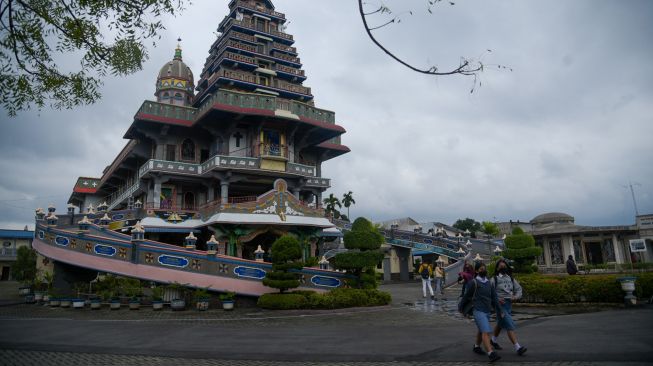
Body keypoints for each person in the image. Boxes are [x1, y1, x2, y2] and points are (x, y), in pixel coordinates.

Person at [459, 261, 503, 362]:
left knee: (481, 330)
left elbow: (494, 297)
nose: (484, 271)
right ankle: (491, 353)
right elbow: (466, 296)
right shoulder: (473, 283)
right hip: (478, 310)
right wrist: (461, 308)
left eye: (484, 269)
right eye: (481, 269)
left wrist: (499, 310)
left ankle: (476, 346)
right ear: (477, 271)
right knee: (485, 331)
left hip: (487, 310)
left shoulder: (488, 282)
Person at [490, 258, 528, 356]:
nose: (503, 268)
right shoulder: (494, 279)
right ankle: (518, 347)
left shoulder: (510, 278)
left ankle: (493, 340)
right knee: (509, 324)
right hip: (499, 305)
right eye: (501, 266)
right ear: (497, 268)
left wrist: (516, 296)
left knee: (500, 323)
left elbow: (518, 289)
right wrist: (497, 299)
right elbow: (489, 293)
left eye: (504, 266)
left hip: (508, 304)